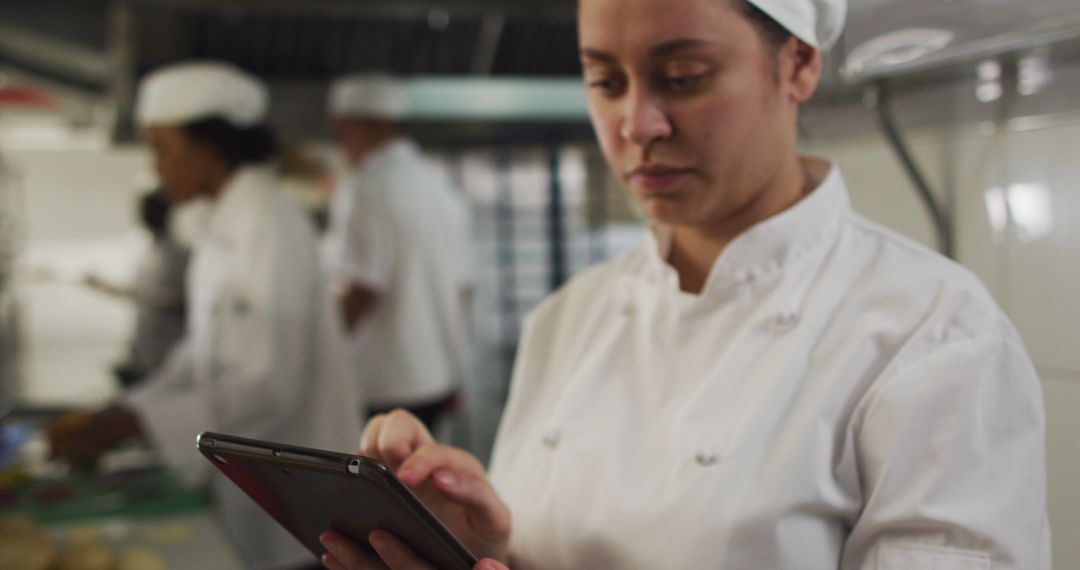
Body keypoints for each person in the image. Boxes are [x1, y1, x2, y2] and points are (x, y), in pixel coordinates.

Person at [321, 0, 1052, 568]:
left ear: (798, 65)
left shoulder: (933, 338)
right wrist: (477, 548)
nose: (636, 124)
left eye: (682, 78)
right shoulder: (569, 318)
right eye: (605, 82)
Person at [50, 61, 362, 569]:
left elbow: (268, 385)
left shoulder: (269, 225)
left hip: (303, 490)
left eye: (162, 148)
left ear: (209, 147)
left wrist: (133, 424)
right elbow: (198, 354)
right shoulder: (219, 227)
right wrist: (126, 409)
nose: (156, 167)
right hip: (257, 480)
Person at [322, 75, 474, 432]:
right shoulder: (438, 186)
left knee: (378, 484)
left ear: (378, 125)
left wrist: (319, 357)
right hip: (438, 376)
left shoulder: (368, 187)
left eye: (345, 132)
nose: (342, 144)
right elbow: (463, 289)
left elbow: (363, 287)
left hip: (387, 384)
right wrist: (460, 371)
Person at [84, 189, 189, 388]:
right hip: (144, 355)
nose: (145, 215)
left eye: (151, 210)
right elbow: (139, 295)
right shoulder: (148, 252)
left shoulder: (180, 254)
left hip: (168, 355)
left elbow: (184, 303)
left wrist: (145, 296)